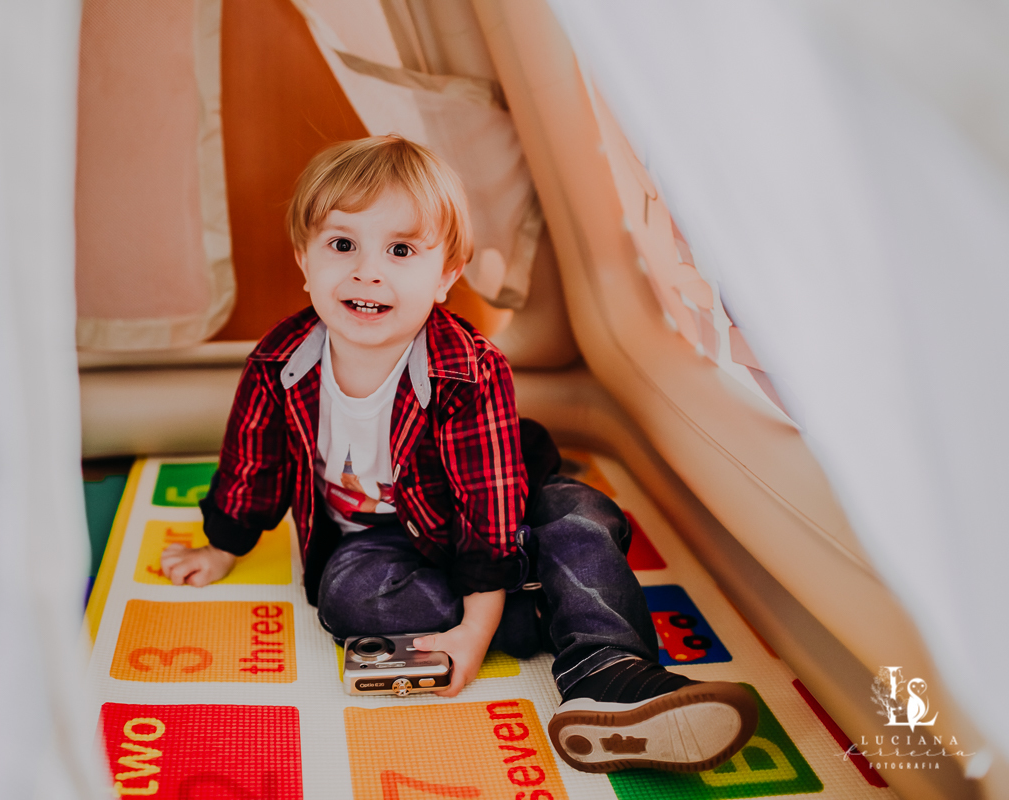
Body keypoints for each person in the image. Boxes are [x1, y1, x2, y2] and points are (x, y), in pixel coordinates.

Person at [160, 135, 758, 773]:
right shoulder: (278, 362)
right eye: (342, 245)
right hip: (379, 540)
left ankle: (608, 672)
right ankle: (546, 607)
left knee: (580, 516)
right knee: (346, 597)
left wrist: (475, 625)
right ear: (305, 261)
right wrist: (222, 544)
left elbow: (488, 504)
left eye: (400, 250)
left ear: (446, 275)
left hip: (501, 514)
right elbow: (253, 464)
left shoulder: (466, 369)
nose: (367, 271)